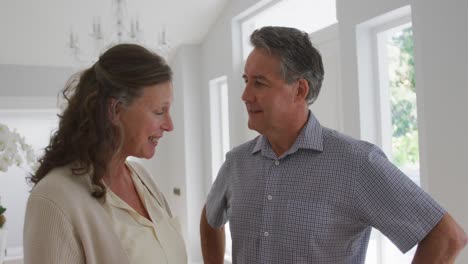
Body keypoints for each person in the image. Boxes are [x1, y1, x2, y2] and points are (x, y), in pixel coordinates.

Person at [200, 26, 467, 264]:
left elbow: (446, 238)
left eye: (259, 83)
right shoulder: (237, 162)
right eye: (247, 81)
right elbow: (210, 220)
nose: (245, 96)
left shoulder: (357, 163)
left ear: (300, 90)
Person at [23, 44, 187, 264]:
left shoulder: (142, 178)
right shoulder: (53, 200)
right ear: (115, 110)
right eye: (159, 111)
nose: (169, 125)